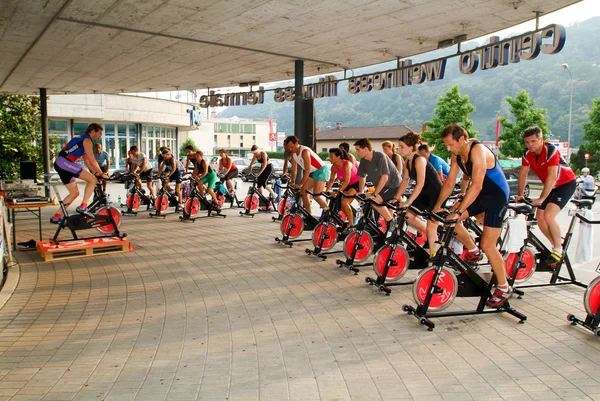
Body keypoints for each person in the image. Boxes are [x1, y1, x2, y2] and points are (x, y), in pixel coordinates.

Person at [431, 123, 511, 307]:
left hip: (497, 197)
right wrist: (437, 207)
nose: (449, 149)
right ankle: (473, 251)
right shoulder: (457, 154)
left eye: (451, 145)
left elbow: (477, 185)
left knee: (488, 244)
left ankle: (504, 286)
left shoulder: (478, 151)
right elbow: (450, 181)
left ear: (461, 139)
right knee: (448, 220)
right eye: (447, 146)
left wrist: (459, 210)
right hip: (480, 195)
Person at [517, 126, 577, 265]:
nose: (530, 145)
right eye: (527, 142)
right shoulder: (527, 154)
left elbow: (552, 177)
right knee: (540, 218)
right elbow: (523, 173)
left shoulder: (550, 150)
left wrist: (542, 198)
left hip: (565, 183)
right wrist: (520, 195)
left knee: (548, 215)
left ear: (541, 139)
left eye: (533, 141)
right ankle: (557, 247)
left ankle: (557, 249)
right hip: (552, 186)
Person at [393, 132, 442, 252]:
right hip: (425, 193)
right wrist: (396, 197)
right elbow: (405, 181)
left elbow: (420, 184)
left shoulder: (419, 160)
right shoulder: (407, 162)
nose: (399, 149)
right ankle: (434, 234)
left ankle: (434, 255)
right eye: (399, 146)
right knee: (408, 216)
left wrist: (408, 203)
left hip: (436, 192)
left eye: (402, 146)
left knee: (431, 226)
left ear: (411, 147)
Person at [50, 123, 108, 223]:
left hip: (61, 163)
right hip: (64, 162)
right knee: (92, 180)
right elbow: (92, 160)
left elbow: (87, 161)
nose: (100, 136)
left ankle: (56, 216)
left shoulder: (82, 139)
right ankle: (83, 207)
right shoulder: (87, 140)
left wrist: (95, 172)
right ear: (93, 131)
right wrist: (102, 173)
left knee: (74, 193)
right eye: (99, 133)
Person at [353, 138, 401, 229]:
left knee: (374, 201)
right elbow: (362, 176)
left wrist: (375, 194)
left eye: (358, 150)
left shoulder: (380, 156)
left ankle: (392, 223)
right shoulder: (363, 160)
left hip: (394, 185)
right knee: (373, 201)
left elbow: (385, 177)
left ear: (366, 149)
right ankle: (387, 230)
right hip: (383, 188)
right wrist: (360, 191)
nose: (356, 152)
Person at [284, 135, 330, 215]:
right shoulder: (293, 154)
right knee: (303, 193)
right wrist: (292, 182)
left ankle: (328, 212)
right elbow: (294, 170)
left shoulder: (305, 151)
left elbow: (307, 169)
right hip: (313, 172)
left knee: (316, 196)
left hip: (321, 170)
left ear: (297, 143)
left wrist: (300, 184)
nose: (291, 149)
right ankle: (309, 214)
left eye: (292, 147)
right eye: (289, 148)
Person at [325, 147, 360, 231]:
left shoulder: (347, 164)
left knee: (345, 202)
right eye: (329, 156)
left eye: (331, 156)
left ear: (338, 157)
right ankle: (354, 220)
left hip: (356, 183)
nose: (330, 158)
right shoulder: (334, 167)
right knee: (343, 206)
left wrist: (338, 192)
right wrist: (326, 191)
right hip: (346, 185)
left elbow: (347, 180)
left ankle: (351, 226)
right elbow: (331, 180)